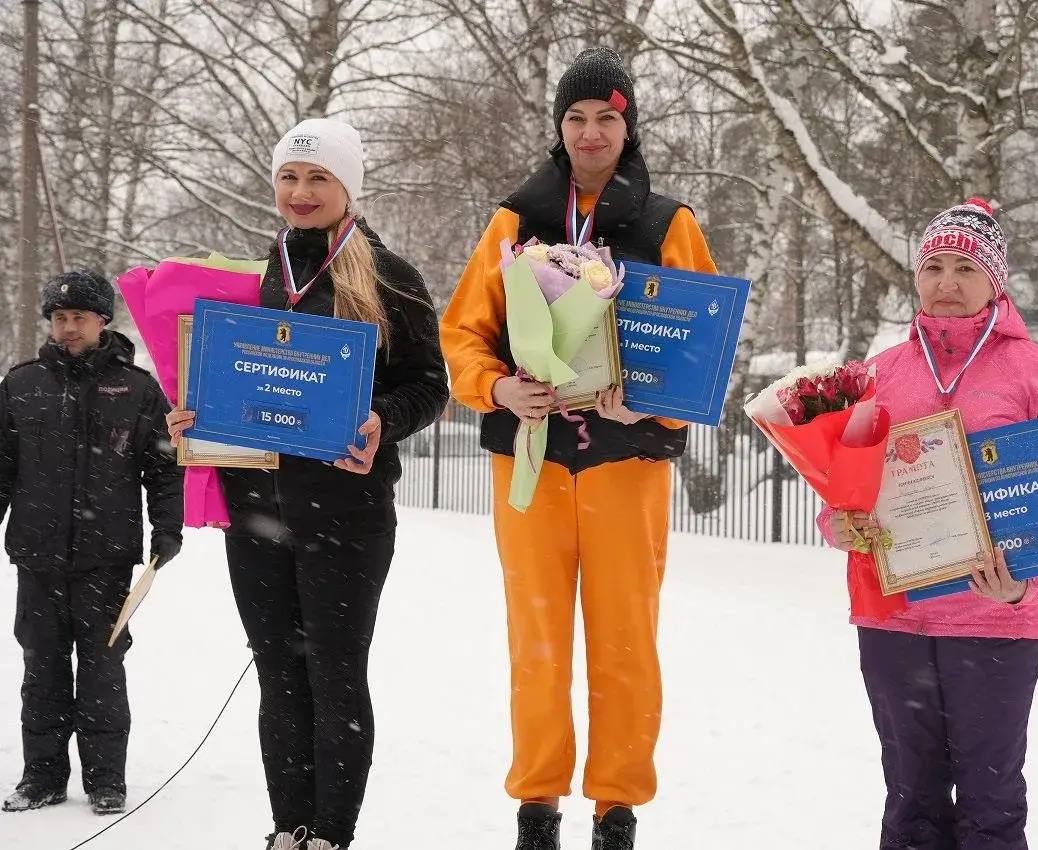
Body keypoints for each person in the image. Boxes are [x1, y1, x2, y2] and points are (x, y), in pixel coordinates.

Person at [441, 47, 717, 850]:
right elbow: (463, 333)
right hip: (527, 456)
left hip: (622, 464)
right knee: (536, 638)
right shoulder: (513, 220)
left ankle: (617, 805)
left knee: (625, 636)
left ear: (628, 127)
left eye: (607, 117)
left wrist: (655, 406)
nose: (591, 132)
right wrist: (497, 388)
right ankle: (537, 803)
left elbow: (699, 350)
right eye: (576, 118)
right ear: (558, 128)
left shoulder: (670, 223)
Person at [167, 118, 449, 850]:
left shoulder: (389, 275)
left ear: (347, 187)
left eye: (318, 178)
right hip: (255, 507)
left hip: (347, 511)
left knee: (334, 674)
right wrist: (189, 419)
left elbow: (429, 385)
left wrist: (383, 420)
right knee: (277, 674)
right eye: (290, 177)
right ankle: (287, 827)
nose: (301, 191)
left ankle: (331, 834)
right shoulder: (245, 281)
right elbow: (213, 382)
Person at [818, 199, 1038, 850]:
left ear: (996, 280)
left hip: (994, 624)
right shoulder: (881, 373)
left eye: (965, 267)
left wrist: (1026, 589)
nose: (946, 282)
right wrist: (839, 523)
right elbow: (844, 486)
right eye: (933, 265)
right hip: (893, 618)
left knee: (991, 804)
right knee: (910, 801)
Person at [0, 269, 183, 816]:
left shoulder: (136, 388)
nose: (69, 327)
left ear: (104, 320)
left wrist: (167, 527)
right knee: (42, 668)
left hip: (106, 558)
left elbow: (162, 468)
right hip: (37, 554)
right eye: (59, 318)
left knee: (103, 669)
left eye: (79, 316)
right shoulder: (21, 385)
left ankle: (107, 780)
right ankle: (42, 777)